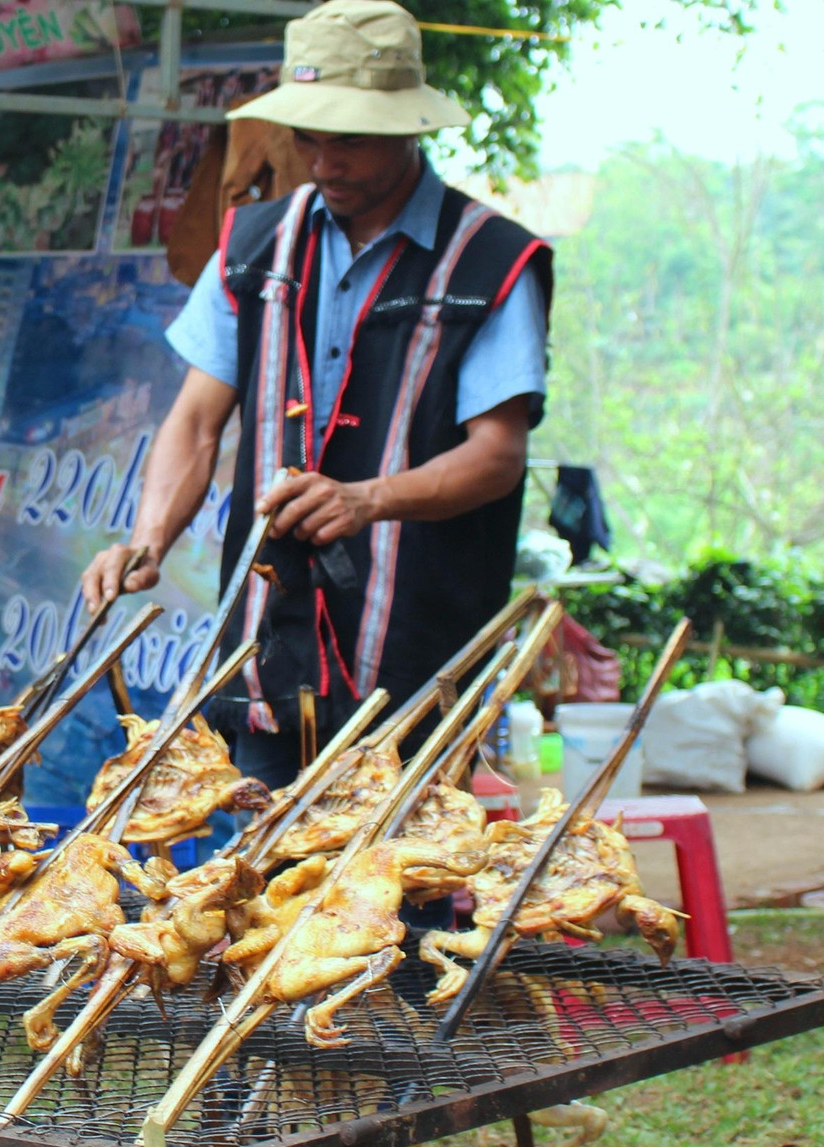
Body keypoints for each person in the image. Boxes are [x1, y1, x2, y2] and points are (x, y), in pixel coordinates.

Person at [81, 0, 553, 794]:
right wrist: (149, 539)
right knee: (262, 892)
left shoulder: (492, 262)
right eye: (309, 137)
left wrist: (367, 500)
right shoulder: (251, 245)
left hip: (417, 656)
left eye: (351, 141)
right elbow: (195, 423)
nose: (325, 162)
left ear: (409, 129)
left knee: (397, 898)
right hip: (273, 649)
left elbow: (497, 456)